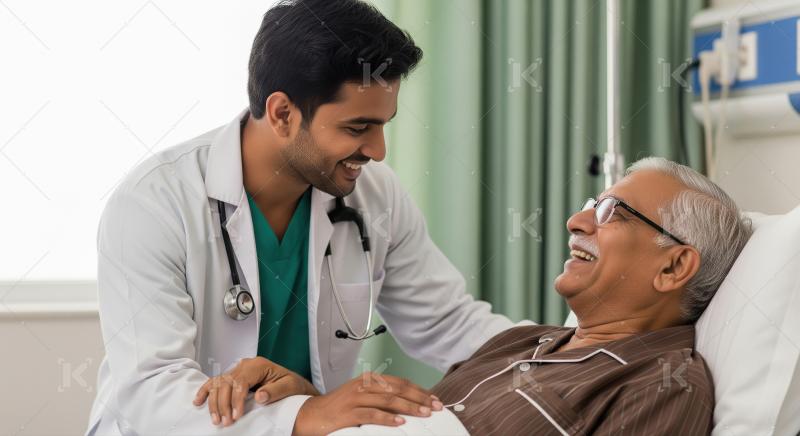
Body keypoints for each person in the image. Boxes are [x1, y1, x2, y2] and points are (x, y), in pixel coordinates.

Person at [86, 1, 522, 435]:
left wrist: (573, 350)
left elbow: (450, 323)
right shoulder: (154, 202)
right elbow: (152, 394)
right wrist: (305, 415)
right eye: (357, 128)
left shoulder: (375, 195)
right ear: (282, 114)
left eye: (384, 125)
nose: (378, 150)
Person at [224, 157, 752, 436]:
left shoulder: (662, 384)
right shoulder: (522, 344)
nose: (576, 220)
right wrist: (308, 406)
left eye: (612, 212)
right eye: (594, 201)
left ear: (674, 265)